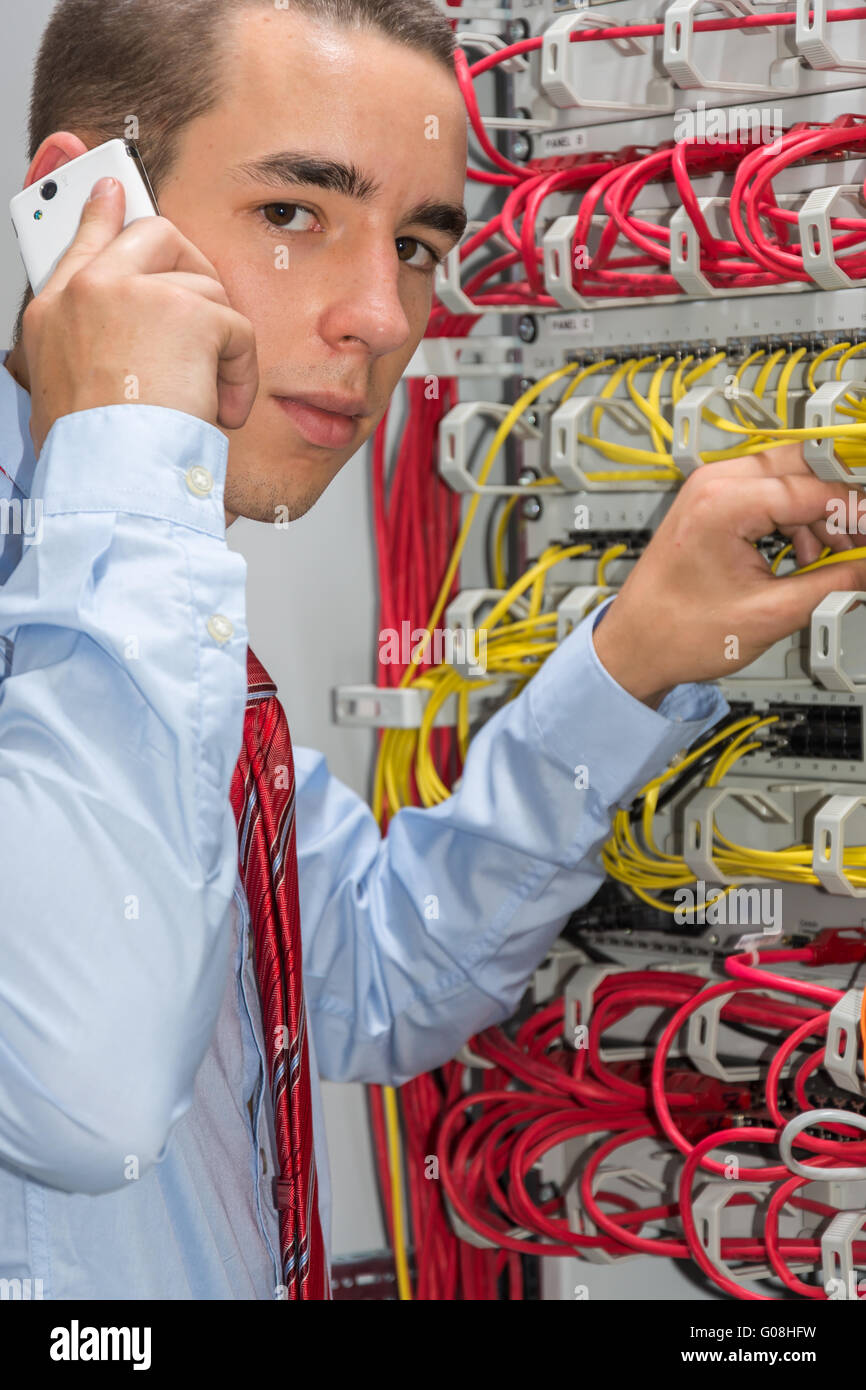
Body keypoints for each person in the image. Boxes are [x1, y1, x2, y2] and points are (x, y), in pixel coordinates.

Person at [1, 0, 863, 1301]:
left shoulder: (157, 617)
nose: (379, 317)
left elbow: (372, 971)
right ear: (80, 210)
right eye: (295, 213)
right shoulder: (115, 577)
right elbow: (92, 1095)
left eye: (411, 245)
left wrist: (632, 654)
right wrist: (127, 438)